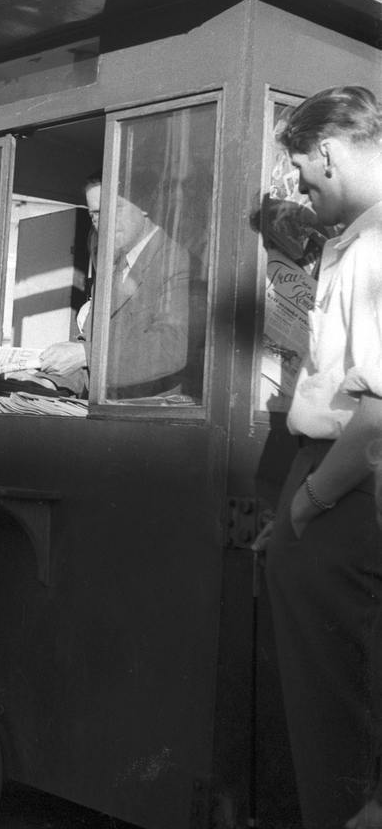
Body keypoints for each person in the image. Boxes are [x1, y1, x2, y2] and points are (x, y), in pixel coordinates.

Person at [256, 85, 382, 829]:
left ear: (330, 152)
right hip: (334, 486)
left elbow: (374, 413)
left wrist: (309, 502)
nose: (303, 189)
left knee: (335, 711)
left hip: (347, 492)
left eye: (303, 171)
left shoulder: (372, 248)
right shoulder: (354, 239)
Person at [36, 169, 198, 399]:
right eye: (95, 215)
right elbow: (87, 347)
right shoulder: (111, 269)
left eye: (114, 209)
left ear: (143, 205)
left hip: (151, 416)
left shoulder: (178, 261)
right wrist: (48, 382)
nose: (104, 222)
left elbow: (171, 347)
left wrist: (85, 354)